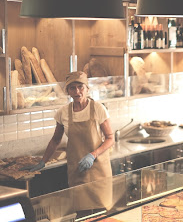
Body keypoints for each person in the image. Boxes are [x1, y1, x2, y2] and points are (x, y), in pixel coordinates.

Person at [21, 71, 114, 217]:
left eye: (80, 87)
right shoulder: (63, 113)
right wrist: (42, 161)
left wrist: (92, 154)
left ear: (87, 88)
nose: (77, 91)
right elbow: (56, 140)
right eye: (72, 88)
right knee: (82, 214)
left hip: (99, 170)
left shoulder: (98, 109)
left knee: (101, 214)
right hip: (78, 171)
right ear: (68, 91)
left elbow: (110, 138)